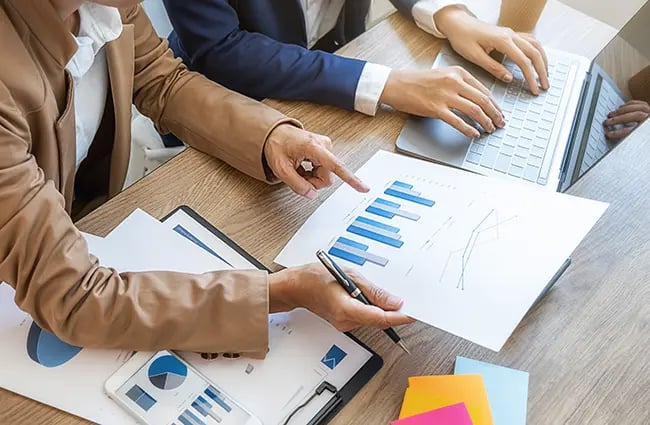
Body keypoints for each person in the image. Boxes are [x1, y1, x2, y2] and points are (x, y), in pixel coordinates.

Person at [0, 0, 413, 358]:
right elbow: (76, 297)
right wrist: (279, 292)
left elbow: (164, 81)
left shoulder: (108, 5)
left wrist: (270, 136)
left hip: (78, 231)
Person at [163, 0, 549, 141]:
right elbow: (222, 50)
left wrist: (450, 16)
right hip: (225, 106)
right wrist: (385, 83)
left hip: (328, 74)